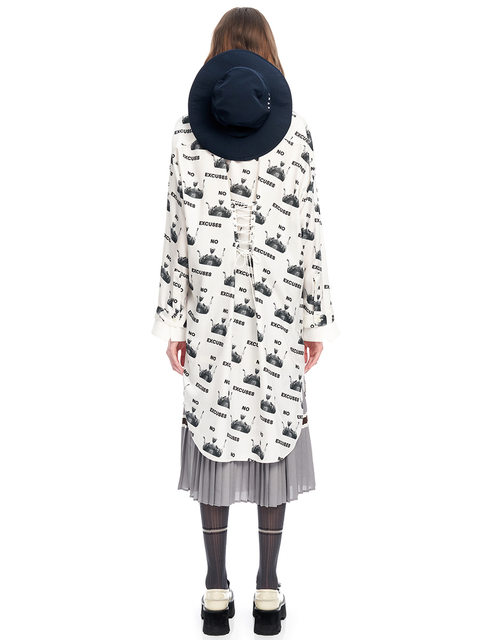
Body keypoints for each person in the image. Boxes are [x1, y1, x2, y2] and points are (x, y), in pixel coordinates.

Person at [151, 7, 340, 635]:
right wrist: (314, 323)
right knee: (271, 444)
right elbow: (309, 233)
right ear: (269, 59)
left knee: (215, 438)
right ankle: (267, 589)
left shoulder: (184, 137)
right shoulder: (298, 134)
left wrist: (174, 324)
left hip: (209, 318)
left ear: (217, 57)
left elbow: (177, 238)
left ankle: (214, 591)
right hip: (279, 318)